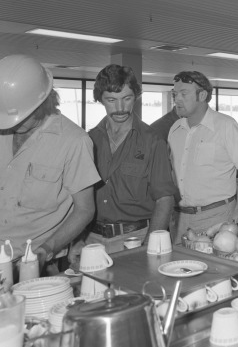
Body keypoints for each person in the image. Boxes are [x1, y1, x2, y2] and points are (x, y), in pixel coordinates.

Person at [0, 55, 100, 283]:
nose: (10, 124)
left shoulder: (73, 141)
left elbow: (84, 209)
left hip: (34, 269)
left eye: (19, 117)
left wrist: (47, 250)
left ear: (44, 102)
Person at [71, 65, 178, 259]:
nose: (120, 108)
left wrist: (149, 246)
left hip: (135, 239)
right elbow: (78, 199)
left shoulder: (152, 141)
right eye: (111, 100)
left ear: (136, 97)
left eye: (127, 99)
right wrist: (76, 240)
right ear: (100, 99)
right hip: (91, 240)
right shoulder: (89, 140)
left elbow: (165, 199)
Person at [167, 71, 238, 238]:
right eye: (175, 94)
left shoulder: (225, 126)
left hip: (217, 217)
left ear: (202, 95)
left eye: (183, 94)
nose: (177, 99)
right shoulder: (175, 129)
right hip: (179, 218)